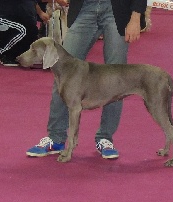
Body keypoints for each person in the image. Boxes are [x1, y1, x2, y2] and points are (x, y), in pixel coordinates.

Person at [26, 0, 147, 159]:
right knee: (62, 71)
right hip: (84, 9)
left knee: (117, 79)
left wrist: (136, 16)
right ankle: (56, 137)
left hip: (117, 10)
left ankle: (105, 138)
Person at [0, 0, 38, 66]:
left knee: (32, 31)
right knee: (22, 30)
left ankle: (14, 54)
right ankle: (2, 52)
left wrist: (41, 13)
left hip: (12, 16)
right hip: (2, 16)